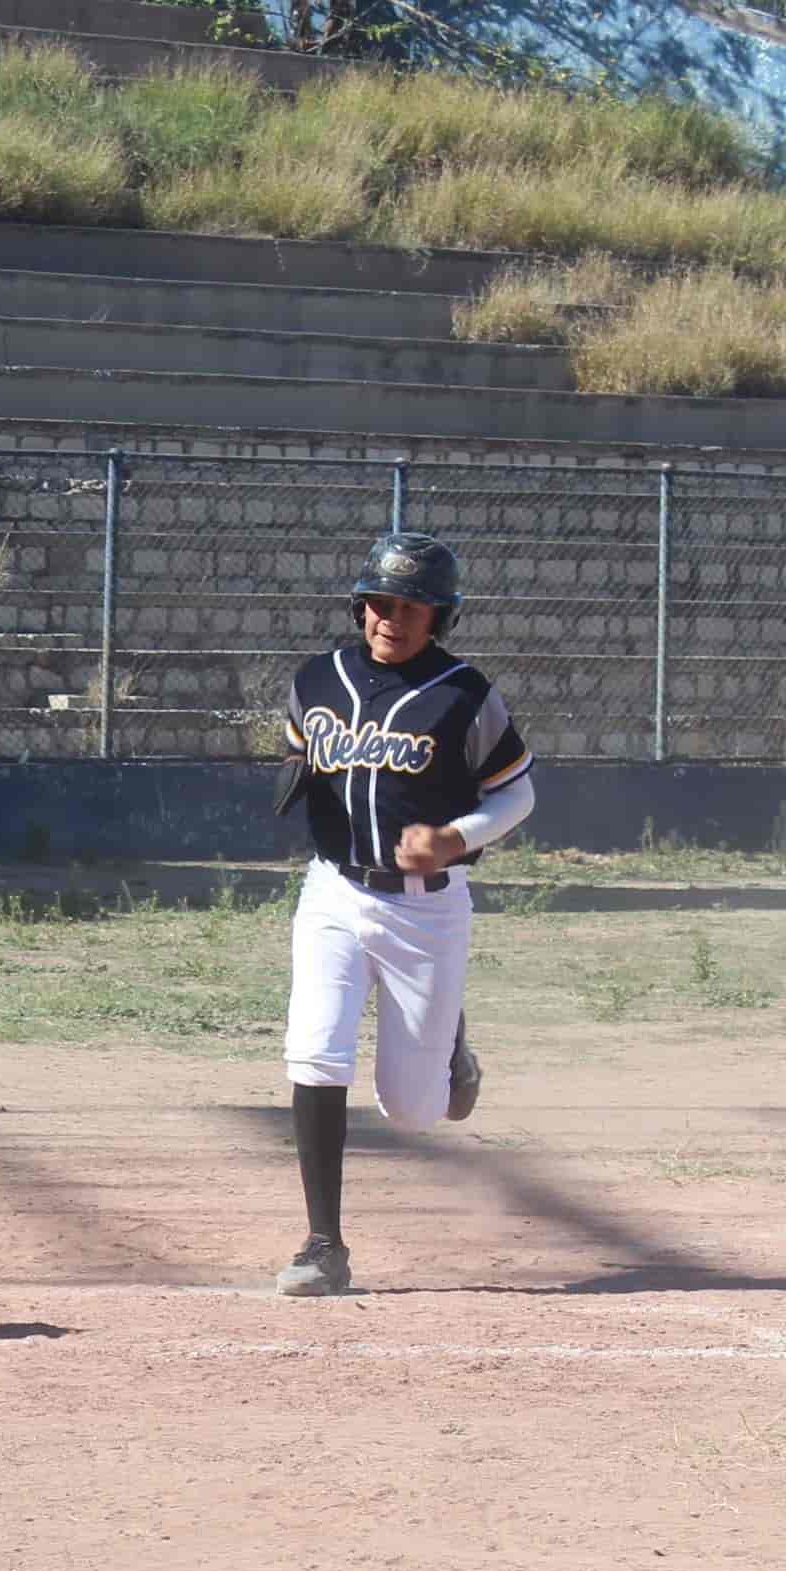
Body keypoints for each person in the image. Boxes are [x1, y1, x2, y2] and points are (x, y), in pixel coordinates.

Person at [270, 533, 535, 1298]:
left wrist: (458, 836)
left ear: (438, 616)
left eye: (412, 607)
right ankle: (324, 1245)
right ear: (361, 606)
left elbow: (516, 793)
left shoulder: (465, 694)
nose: (393, 618)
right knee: (315, 1051)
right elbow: (301, 755)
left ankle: (450, 1041)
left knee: (416, 1112)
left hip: (428, 911)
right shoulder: (316, 680)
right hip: (334, 892)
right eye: (381, 603)